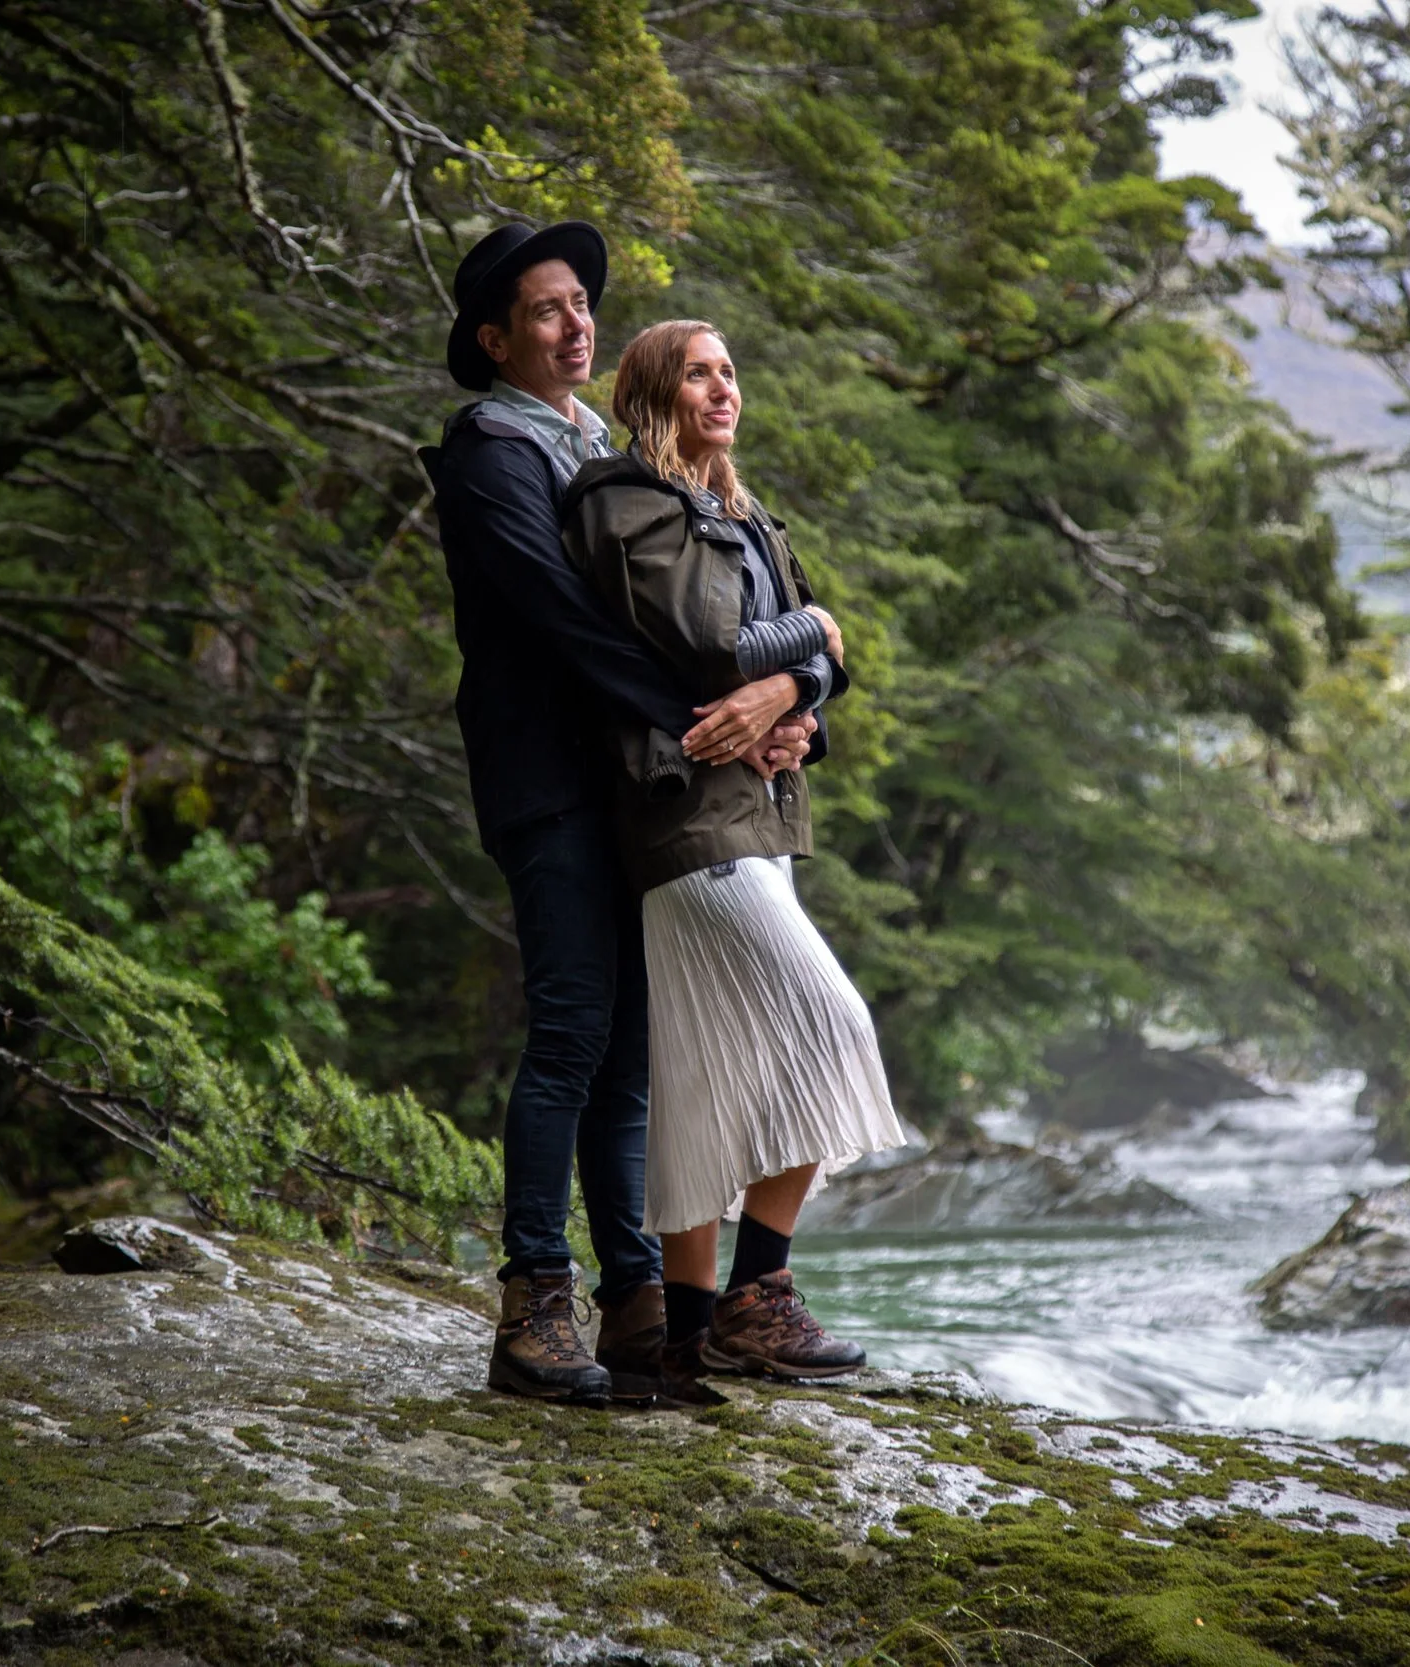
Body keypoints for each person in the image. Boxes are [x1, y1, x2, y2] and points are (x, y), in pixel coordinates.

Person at [425, 227, 816, 1404]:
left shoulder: (604, 448)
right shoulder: (488, 453)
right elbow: (571, 626)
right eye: (546, 311)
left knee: (634, 1059)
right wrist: (725, 714)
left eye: (582, 304)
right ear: (496, 340)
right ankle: (534, 1306)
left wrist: (795, 695)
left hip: (631, 787)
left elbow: (729, 602)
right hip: (548, 781)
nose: (575, 323)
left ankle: (637, 1302)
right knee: (571, 1034)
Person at [560, 319, 908, 1396]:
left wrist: (799, 691)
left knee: (715, 1077)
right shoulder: (626, 503)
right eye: (698, 373)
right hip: (682, 821)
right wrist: (814, 632)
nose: (722, 390)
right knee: (830, 1021)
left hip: (757, 812)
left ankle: (696, 1323)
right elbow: (707, 643)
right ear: (651, 394)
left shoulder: (749, 516)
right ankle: (763, 1289)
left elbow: (813, 673)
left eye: (729, 373)